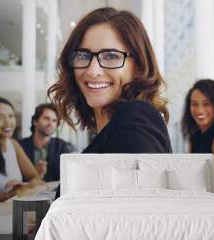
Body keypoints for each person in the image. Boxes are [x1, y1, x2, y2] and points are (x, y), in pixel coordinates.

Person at [48, 7, 172, 154]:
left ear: (139, 65)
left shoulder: (134, 118)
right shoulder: (114, 127)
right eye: (83, 56)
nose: (93, 71)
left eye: (111, 56)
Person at [0, 97, 43, 202]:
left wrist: (22, 186)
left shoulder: (13, 144)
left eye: (11, 116)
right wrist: (13, 193)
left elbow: (35, 178)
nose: (8, 122)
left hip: (13, 207)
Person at [19, 103, 76, 182]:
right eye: (46, 118)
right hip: (26, 192)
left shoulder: (64, 147)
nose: (50, 123)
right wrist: (34, 173)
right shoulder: (20, 146)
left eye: (54, 120)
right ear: (35, 121)